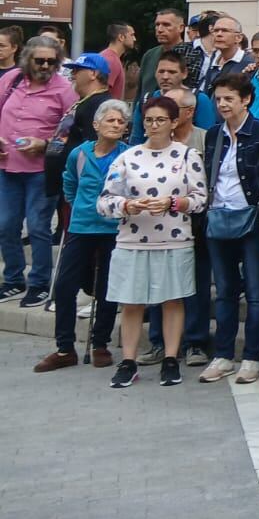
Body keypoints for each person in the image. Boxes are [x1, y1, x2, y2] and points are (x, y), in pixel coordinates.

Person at [99, 95, 209, 388]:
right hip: (132, 239)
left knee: (173, 300)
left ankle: (170, 358)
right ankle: (128, 360)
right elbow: (105, 200)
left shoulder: (187, 156)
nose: (154, 125)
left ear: (174, 122)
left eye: (161, 120)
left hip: (174, 239)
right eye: (148, 120)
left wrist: (174, 203)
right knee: (132, 302)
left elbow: (200, 199)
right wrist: (127, 205)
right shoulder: (128, 156)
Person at [34, 101, 131, 373]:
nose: (116, 125)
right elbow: (69, 182)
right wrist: (79, 205)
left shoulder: (128, 155)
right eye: (110, 120)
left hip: (113, 228)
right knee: (65, 285)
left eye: (120, 122)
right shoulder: (79, 153)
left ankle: (100, 343)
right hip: (81, 226)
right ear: (96, 125)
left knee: (108, 287)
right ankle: (64, 348)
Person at [198, 75, 259, 386]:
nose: (222, 105)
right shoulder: (213, 134)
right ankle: (223, 355)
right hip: (219, 217)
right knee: (225, 290)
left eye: (229, 99)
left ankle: (251, 357)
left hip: (253, 220)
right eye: (218, 99)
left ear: (245, 99)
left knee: (257, 292)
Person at [0, 38, 76, 304]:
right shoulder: (11, 80)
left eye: (51, 61)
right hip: (7, 166)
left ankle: (40, 283)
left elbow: (70, 133)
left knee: (37, 227)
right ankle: (13, 279)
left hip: (41, 170)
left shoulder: (64, 89)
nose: (45, 66)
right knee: (5, 225)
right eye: (39, 60)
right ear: (27, 59)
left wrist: (44, 144)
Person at [132, 49, 216, 140]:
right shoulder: (146, 100)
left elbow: (208, 138)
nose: (165, 77)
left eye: (172, 72)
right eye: (161, 71)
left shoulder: (199, 99)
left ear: (184, 74)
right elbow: (136, 139)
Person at [138, 8, 204, 94]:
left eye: (166, 25)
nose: (160, 29)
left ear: (181, 28)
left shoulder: (193, 55)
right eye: (157, 25)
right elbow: (140, 91)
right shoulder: (150, 55)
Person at [199, 15, 252, 93]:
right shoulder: (212, 59)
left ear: (238, 38)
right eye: (216, 30)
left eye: (225, 30)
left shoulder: (250, 63)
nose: (219, 34)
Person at [99, 22, 136, 100]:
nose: (134, 39)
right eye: (132, 35)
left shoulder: (108, 56)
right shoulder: (111, 60)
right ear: (121, 37)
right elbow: (101, 92)